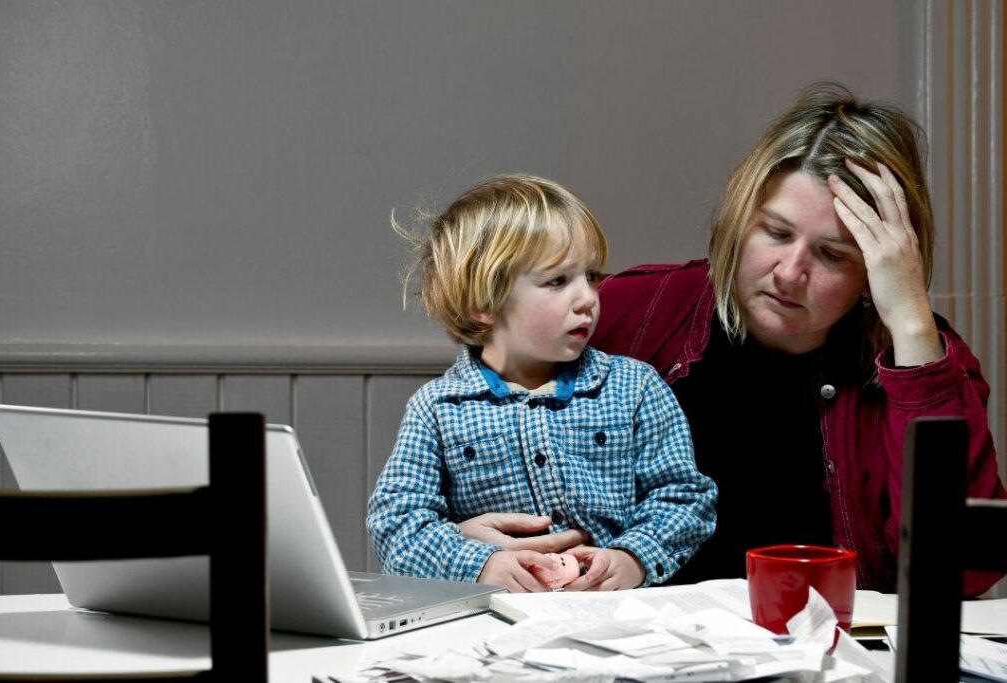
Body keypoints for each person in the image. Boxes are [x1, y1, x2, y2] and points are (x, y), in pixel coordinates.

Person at [456, 83, 1007, 597]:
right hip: (628, 649)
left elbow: (965, 572)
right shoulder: (630, 312)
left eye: (832, 255)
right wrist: (463, 533)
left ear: (876, 268)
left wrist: (912, 323)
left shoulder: (927, 362)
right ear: (742, 217)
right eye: (776, 232)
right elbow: (463, 455)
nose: (790, 273)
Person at [367, 174, 717, 592]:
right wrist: (482, 565)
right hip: (491, 620)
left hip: (616, 616)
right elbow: (398, 524)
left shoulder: (634, 388)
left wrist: (633, 557)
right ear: (482, 303)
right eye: (557, 281)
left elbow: (684, 497)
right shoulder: (437, 408)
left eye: (591, 276)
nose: (588, 298)